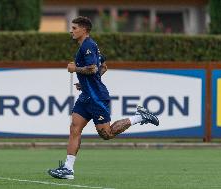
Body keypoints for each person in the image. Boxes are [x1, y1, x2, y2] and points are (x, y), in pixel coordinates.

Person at [48, 16, 159, 180]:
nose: (71, 31)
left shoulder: (88, 46)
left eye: (74, 28)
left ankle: (139, 117)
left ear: (84, 30)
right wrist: (85, 83)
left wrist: (75, 69)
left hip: (97, 98)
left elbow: (92, 68)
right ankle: (68, 169)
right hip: (87, 95)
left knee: (106, 134)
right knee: (74, 128)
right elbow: (103, 66)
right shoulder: (87, 46)